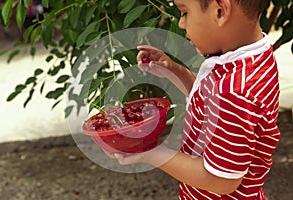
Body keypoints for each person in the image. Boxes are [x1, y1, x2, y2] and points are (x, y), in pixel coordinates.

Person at [106, 0, 280, 199]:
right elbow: (208, 105)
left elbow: (220, 180)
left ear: (220, 11)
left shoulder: (234, 92)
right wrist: (174, 70)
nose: (181, 24)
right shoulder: (254, 58)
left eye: (184, 12)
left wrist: (149, 152)